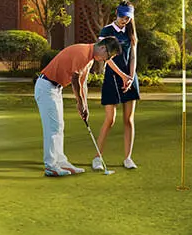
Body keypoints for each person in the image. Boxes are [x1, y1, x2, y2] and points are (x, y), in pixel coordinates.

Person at [33, 38, 125, 176]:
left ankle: (61, 162)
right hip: (46, 87)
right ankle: (51, 166)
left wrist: (85, 106)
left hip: (55, 89)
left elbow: (83, 84)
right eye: (109, 56)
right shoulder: (82, 53)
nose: (107, 59)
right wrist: (79, 103)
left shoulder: (89, 59)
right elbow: (75, 79)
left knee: (59, 126)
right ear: (103, 48)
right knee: (53, 128)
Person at [95, 2, 142, 170]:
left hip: (129, 78)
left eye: (128, 17)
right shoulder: (106, 31)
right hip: (112, 78)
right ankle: (97, 158)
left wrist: (130, 77)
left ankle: (128, 158)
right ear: (117, 13)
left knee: (129, 120)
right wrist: (122, 76)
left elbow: (133, 57)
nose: (125, 20)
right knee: (110, 119)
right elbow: (107, 57)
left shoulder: (131, 32)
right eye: (123, 17)